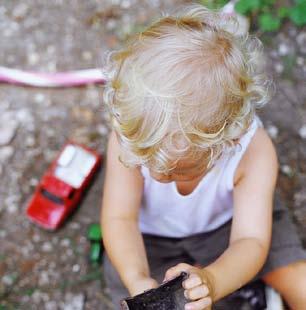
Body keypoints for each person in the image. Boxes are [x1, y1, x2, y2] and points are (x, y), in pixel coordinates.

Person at [100, 4, 306, 309]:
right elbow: (119, 218)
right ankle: (245, 294)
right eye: (145, 163)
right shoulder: (131, 137)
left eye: (175, 171)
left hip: (231, 225)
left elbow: (251, 241)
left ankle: (240, 289)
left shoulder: (253, 152)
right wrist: (138, 279)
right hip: (150, 240)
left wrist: (213, 281)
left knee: (299, 282)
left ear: (226, 142)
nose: (156, 176)